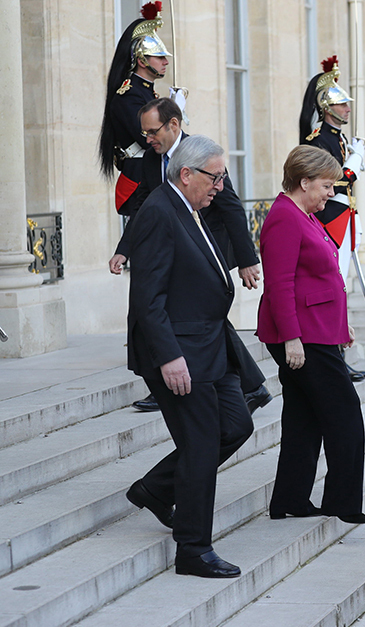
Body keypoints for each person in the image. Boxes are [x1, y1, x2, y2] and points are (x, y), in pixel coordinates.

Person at [124, 135, 254, 578]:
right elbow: (148, 297)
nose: (220, 186)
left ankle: (156, 489)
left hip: (210, 346)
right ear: (186, 174)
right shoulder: (159, 212)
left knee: (236, 426)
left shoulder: (188, 207)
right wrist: (169, 356)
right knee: (200, 445)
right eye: (215, 177)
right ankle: (194, 550)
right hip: (180, 353)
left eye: (222, 176)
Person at [110, 98, 271, 415]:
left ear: (173, 124)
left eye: (153, 131)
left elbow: (230, 206)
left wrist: (247, 260)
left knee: (203, 316)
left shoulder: (202, 156)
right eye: (145, 133)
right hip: (173, 249)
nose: (148, 139)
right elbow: (142, 207)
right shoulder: (150, 160)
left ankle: (242, 384)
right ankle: (247, 385)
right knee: (196, 317)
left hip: (202, 250)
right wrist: (124, 248)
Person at [256, 145, 365, 525]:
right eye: (326, 186)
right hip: (303, 336)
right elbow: (280, 284)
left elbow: (321, 276)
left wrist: (341, 323)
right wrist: (292, 338)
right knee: (345, 415)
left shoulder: (302, 214)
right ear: (303, 182)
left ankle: (290, 500)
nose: (331, 193)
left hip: (317, 330)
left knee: (304, 418)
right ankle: (342, 502)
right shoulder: (285, 217)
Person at [299, 55, 365, 383]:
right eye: (342, 104)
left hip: (343, 218)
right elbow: (332, 182)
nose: (348, 108)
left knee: (340, 285)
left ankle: (340, 350)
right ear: (327, 107)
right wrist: (353, 164)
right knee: (333, 285)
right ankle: (336, 353)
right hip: (330, 220)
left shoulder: (337, 139)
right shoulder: (319, 140)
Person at [99, 1, 171, 218]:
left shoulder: (147, 93)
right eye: (159, 57)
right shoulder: (128, 96)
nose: (165, 62)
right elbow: (149, 140)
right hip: (141, 179)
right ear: (141, 60)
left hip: (154, 174)